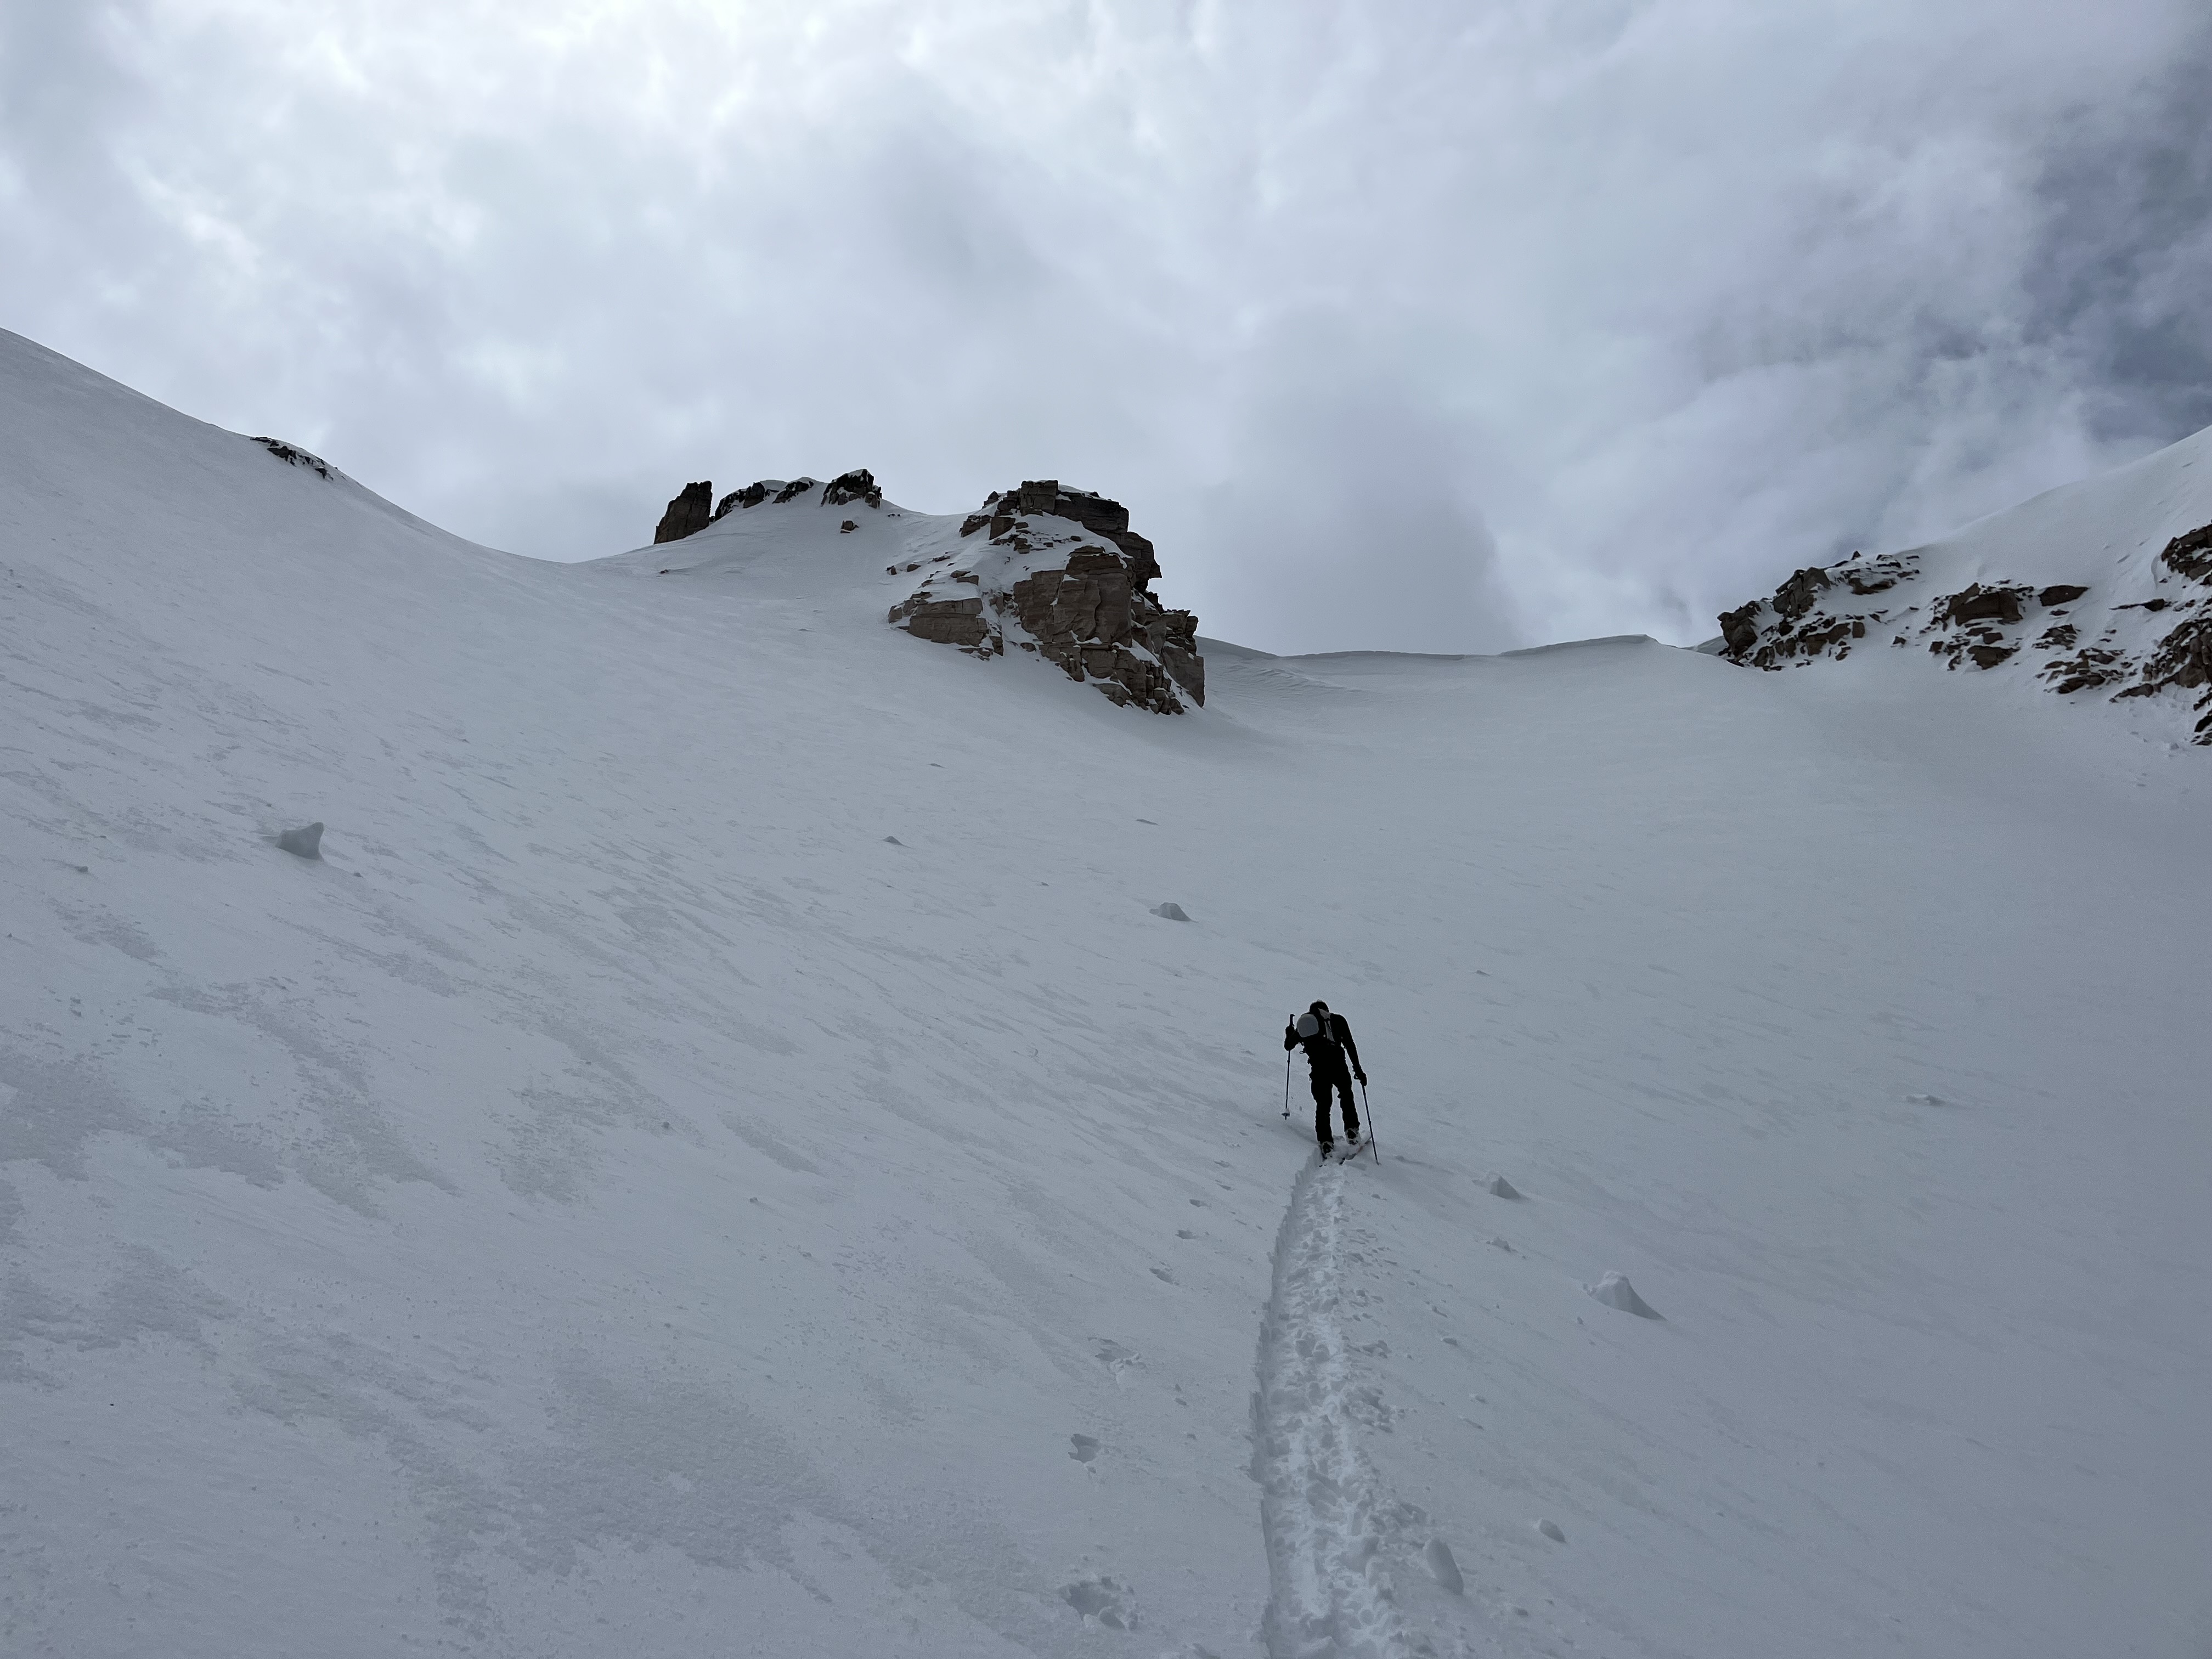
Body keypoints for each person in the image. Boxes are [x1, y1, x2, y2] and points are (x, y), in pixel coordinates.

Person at [1285, 1000, 1365, 1158]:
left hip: (1319, 1068)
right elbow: (1350, 1045)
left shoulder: (1306, 1024)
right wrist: (1358, 1070)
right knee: (1346, 1095)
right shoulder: (1338, 1020)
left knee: (1323, 1104)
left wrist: (1289, 1033)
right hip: (1338, 1065)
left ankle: (1325, 1142)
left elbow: (1288, 1046)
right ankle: (1352, 1131)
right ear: (1327, 1010)